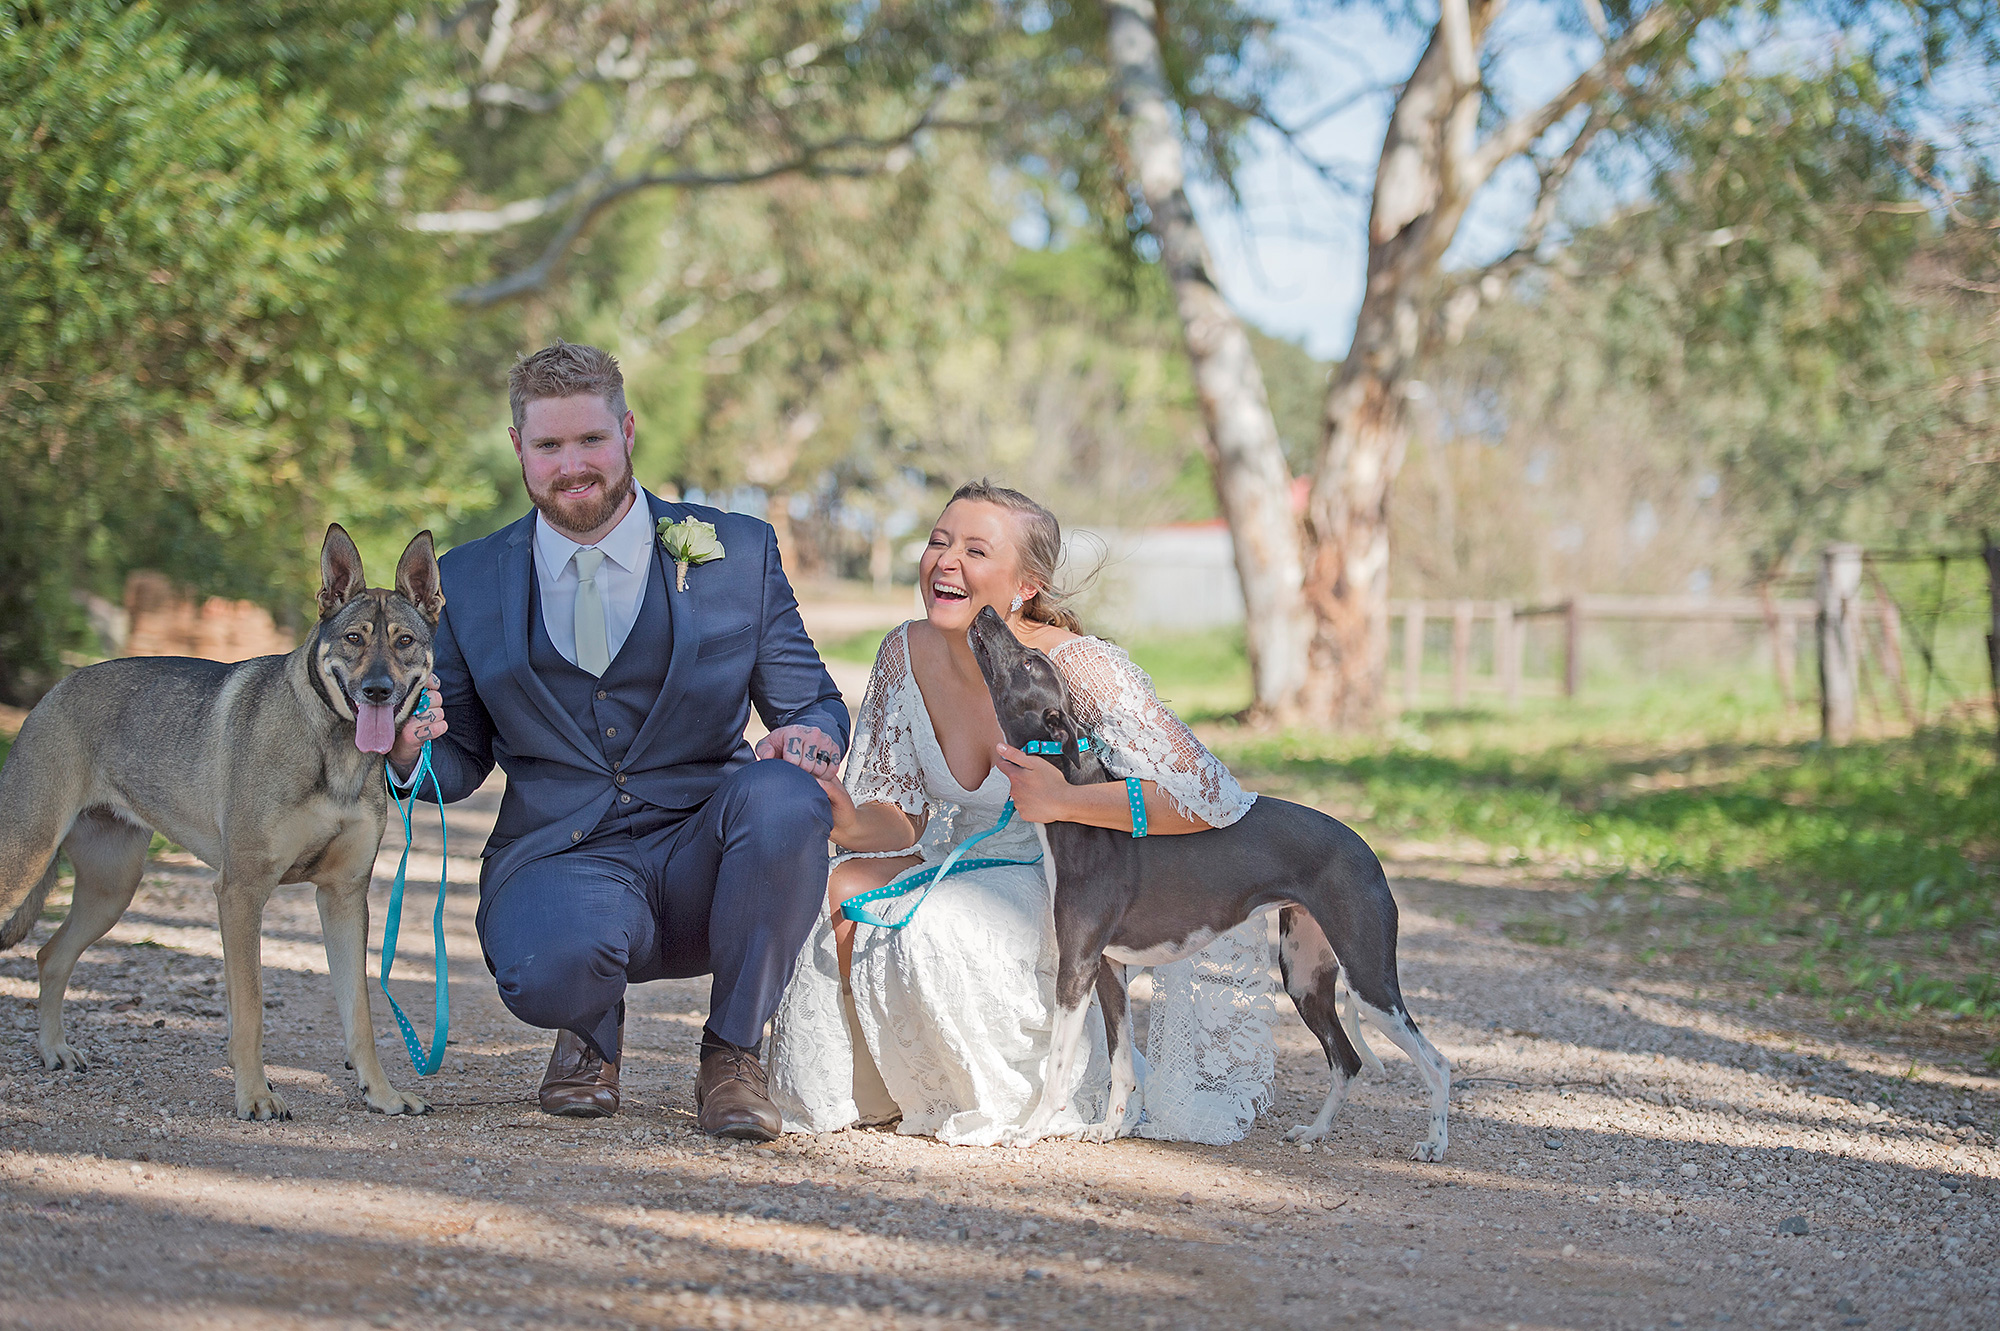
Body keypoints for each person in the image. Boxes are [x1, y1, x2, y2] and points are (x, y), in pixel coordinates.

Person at [387, 341, 846, 1138]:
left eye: (590, 440)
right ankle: (588, 1031)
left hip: (706, 849)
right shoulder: (467, 580)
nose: (573, 465)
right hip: (561, 855)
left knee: (785, 800)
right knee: (549, 967)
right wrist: (405, 752)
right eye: (549, 445)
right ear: (518, 448)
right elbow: (457, 757)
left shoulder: (737, 552)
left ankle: (732, 1054)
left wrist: (808, 736)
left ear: (627, 431)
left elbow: (811, 701)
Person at [768, 482, 1275, 1145]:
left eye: (976, 549)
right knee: (836, 886)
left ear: (1027, 583)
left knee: (939, 925)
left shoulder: (1079, 666)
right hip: (962, 854)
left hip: (1064, 873)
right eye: (938, 541)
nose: (945, 562)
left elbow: (1206, 797)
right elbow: (900, 817)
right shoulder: (904, 651)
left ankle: (1016, 1093)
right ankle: (876, 1089)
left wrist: (1065, 799)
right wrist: (845, 818)